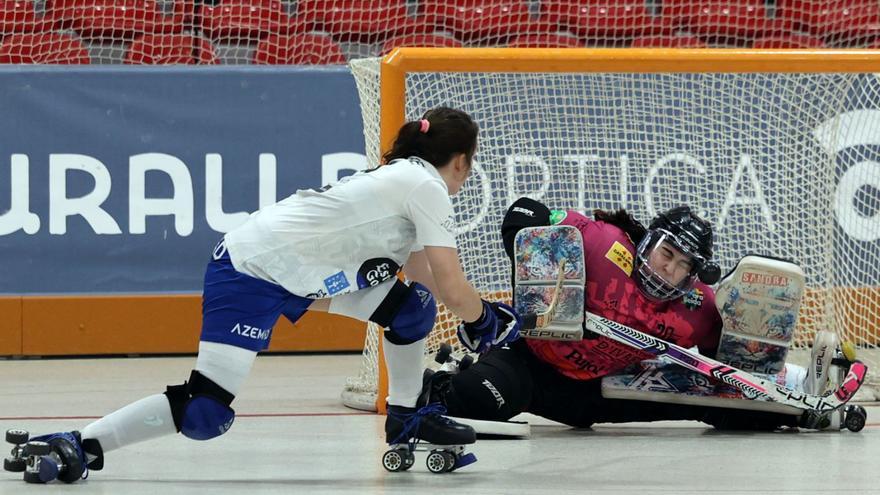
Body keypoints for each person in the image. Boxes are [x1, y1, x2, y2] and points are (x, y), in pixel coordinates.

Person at [13, 107, 523, 483]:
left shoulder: (403, 180)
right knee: (204, 412)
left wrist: (482, 316)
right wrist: (486, 322)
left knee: (410, 311)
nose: (467, 176)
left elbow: (428, 279)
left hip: (289, 277)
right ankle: (79, 442)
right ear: (459, 161)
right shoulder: (425, 185)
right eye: (469, 166)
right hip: (249, 273)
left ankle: (407, 415)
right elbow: (454, 288)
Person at [427, 197, 824, 431]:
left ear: (694, 272)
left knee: (718, 401)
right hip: (533, 364)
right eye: (666, 254)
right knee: (475, 400)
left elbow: (731, 370)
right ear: (648, 242)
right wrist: (544, 286)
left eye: (683, 264)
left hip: (608, 390)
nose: (670, 269)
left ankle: (801, 409)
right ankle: (433, 388)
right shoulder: (602, 243)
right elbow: (525, 214)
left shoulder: (700, 308)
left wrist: (778, 381)